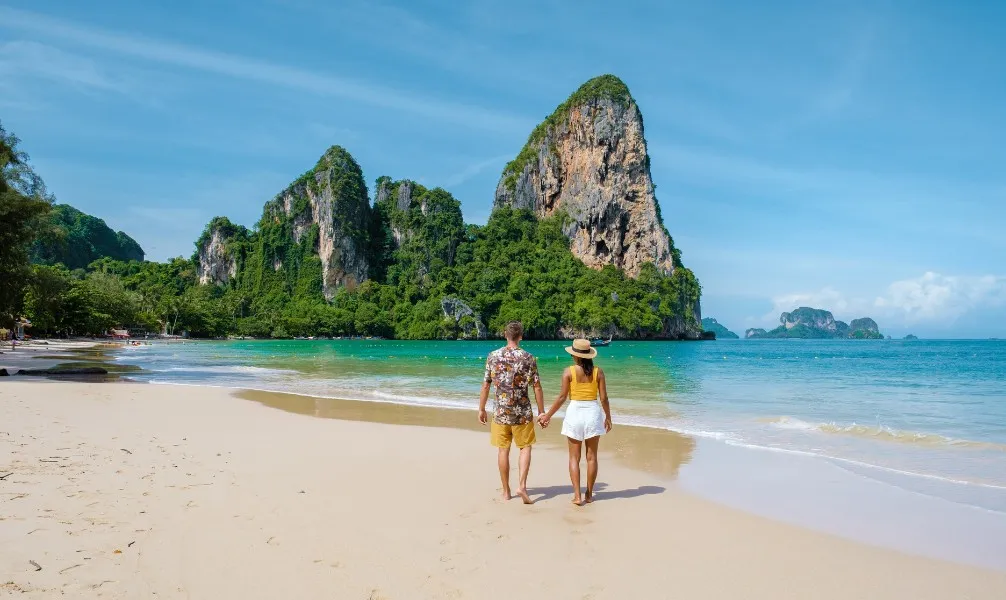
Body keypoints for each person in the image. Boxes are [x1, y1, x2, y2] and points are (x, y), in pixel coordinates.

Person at [538, 338, 612, 505]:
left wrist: (547, 416)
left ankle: (577, 496)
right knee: (592, 457)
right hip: (593, 412)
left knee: (574, 458)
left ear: (575, 356)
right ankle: (590, 494)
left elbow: (562, 397)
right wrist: (608, 417)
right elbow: (604, 398)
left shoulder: (568, 372)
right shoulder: (598, 372)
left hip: (575, 413)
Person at [478, 321, 545, 504]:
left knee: (503, 450)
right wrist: (541, 411)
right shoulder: (529, 358)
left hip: (500, 412)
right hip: (522, 412)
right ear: (521, 336)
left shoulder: (492, 356)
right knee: (525, 447)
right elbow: (537, 387)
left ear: (505, 335)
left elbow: (486, 384)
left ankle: (506, 491)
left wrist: (481, 408)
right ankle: (522, 486)